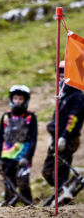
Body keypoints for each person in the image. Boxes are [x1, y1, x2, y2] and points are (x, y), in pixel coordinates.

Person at [42, 60, 84, 188]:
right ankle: (64, 188)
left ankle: (65, 195)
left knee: (60, 171)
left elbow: (74, 119)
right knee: (47, 172)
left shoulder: (77, 96)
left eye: (64, 76)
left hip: (68, 138)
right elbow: (55, 117)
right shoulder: (61, 95)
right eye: (59, 76)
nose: (61, 79)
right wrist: (52, 136)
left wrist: (65, 137)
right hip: (56, 137)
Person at [0, 85, 38, 205]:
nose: (18, 101)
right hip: (7, 157)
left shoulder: (31, 117)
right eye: (15, 98)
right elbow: (0, 138)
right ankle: (9, 210)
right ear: (11, 99)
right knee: (9, 186)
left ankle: (30, 209)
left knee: (23, 184)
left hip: (23, 158)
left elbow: (34, 139)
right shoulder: (6, 116)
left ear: (26, 100)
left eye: (20, 99)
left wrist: (27, 157)